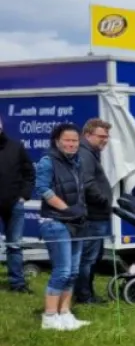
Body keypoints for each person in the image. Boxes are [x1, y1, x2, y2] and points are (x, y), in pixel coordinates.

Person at [34, 124, 90, 330]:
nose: (71, 144)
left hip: (76, 223)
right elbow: (42, 189)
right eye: (67, 140)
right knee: (62, 271)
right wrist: (66, 210)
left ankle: (65, 313)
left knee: (74, 271)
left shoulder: (77, 162)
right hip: (55, 222)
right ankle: (49, 317)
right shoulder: (48, 161)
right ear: (57, 141)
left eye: (75, 140)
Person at [75, 118, 112, 305]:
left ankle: (87, 292)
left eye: (107, 137)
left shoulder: (91, 153)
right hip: (92, 215)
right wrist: (103, 199)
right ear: (88, 134)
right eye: (101, 136)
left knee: (93, 257)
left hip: (97, 215)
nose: (105, 140)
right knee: (88, 258)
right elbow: (87, 183)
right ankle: (84, 296)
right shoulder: (85, 154)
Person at [0, 118, 36, 294]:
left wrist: (24, 195)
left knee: (14, 245)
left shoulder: (16, 147)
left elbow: (29, 172)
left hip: (14, 204)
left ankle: (17, 284)